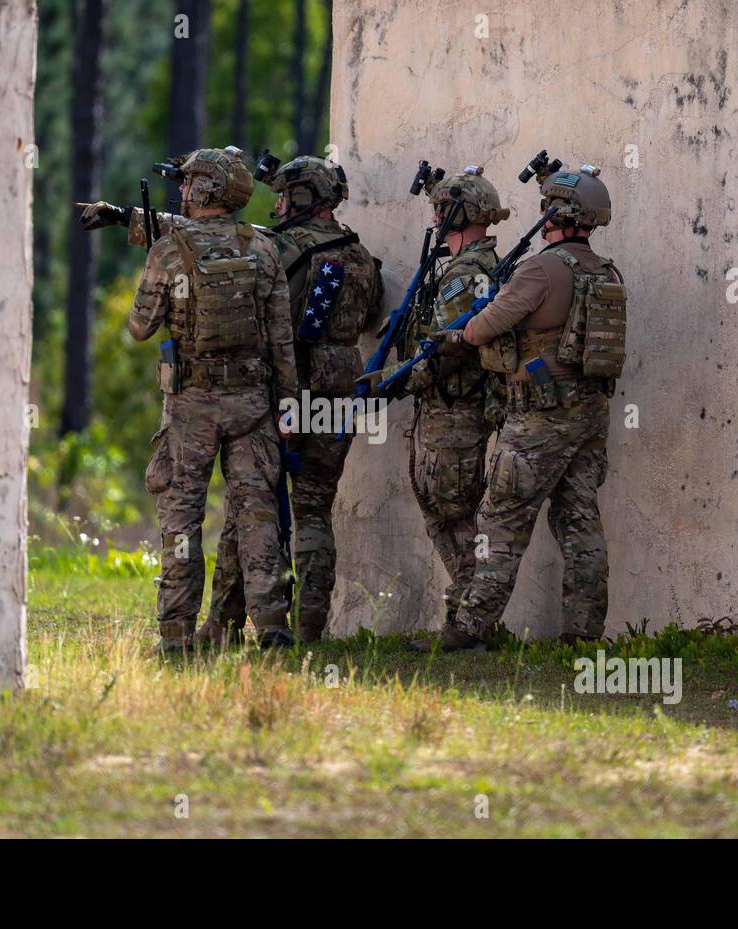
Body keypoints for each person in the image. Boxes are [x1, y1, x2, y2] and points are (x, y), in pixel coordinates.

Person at [78, 148, 300, 652]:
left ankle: (176, 636)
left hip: (190, 409)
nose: (181, 190)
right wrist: (287, 406)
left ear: (204, 191)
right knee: (257, 514)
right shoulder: (262, 248)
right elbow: (281, 339)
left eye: (188, 183)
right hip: (253, 405)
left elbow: (139, 329)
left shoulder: (168, 251)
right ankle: (273, 627)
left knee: (181, 520)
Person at [410, 164, 625, 652]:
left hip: (539, 419)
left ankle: (469, 629)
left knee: (499, 523)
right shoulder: (604, 271)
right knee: (580, 522)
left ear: (558, 212)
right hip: (589, 414)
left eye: (547, 205)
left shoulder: (540, 269)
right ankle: (583, 635)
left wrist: (458, 334)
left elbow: (481, 327)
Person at [204, 155, 383, 645]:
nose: (278, 204)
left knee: (251, 506)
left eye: (284, 195)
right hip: (341, 390)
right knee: (314, 509)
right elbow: (369, 316)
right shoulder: (361, 255)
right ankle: (309, 629)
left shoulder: (281, 247)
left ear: (304, 197)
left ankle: (224, 624)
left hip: (285, 389)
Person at [403, 167, 509, 633]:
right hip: (445, 410)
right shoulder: (471, 268)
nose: (434, 217)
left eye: (441, 210)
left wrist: (393, 380)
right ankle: (465, 612)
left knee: (453, 514)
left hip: (454, 413)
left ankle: (470, 618)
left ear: (458, 215)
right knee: (442, 512)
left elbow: (446, 348)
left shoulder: (467, 273)